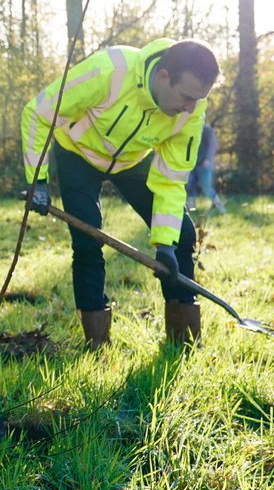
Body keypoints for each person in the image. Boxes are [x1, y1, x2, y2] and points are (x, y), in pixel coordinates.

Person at [21, 38, 220, 348]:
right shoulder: (109, 70)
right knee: (87, 241)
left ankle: (183, 340)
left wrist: (164, 243)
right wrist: (38, 180)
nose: (191, 108)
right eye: (186, 97)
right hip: (79, 152)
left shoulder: (192, 109)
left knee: (181, 234)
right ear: (164, 77)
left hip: (130, 160)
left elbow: (171, 178)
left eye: (199, 99)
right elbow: (39, 112)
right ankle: (97, 342)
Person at [185, 123, 225, 213]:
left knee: (206, 187)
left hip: (205, 164)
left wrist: (208, 159)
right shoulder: (191, 127)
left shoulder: (207, 130)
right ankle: (191, 209)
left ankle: (220, 207)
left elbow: (213, 145)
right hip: (193, 163)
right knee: (190, 186)